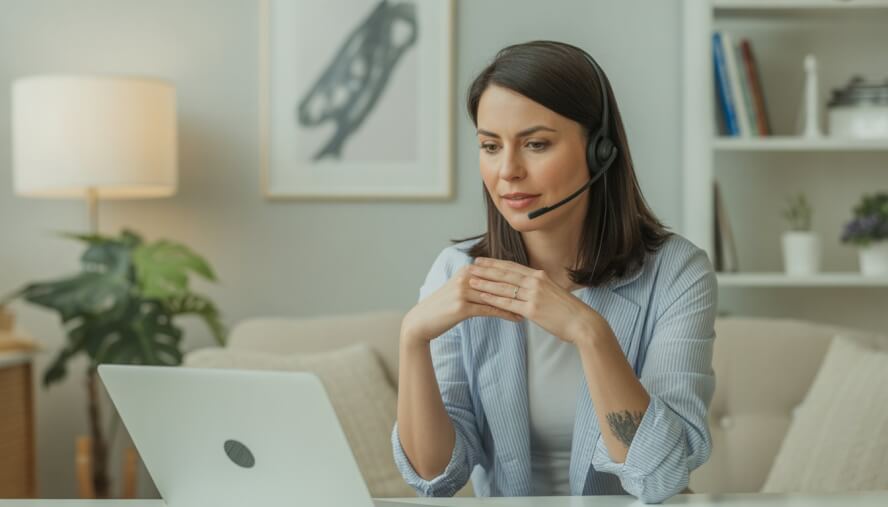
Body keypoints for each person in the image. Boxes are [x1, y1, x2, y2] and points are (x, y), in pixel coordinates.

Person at [391, 40, 716, 504]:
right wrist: (412, 339)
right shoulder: (456, 272)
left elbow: (658, 476)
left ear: (600, 151)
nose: (508, 171)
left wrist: (589, 332)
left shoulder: (677, 272)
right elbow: (433, 478)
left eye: (536, 144)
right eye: (490, 145)